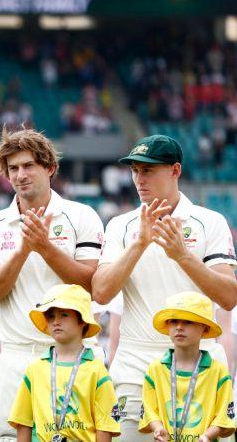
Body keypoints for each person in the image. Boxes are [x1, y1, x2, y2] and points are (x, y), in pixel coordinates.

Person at [92, 135, 237, 441]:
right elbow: (101, 292)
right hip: (135, 364)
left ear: (175, 170)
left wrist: (182, 255)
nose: (138, 179)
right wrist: (140, 244)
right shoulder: (120, 226)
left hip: (200, 362)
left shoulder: (209, 222)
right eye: (134, 170)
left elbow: (228, 296)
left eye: (148, 170)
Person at [0, 128, 105, 441]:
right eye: (13, 168)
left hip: (73, 356)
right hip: (16, 357)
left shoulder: (81, 215)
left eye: (29, 165)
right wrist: (23, 251)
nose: (20, 175)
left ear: (50, 168)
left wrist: (45, 247)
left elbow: (93, 287)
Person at [8, 284, 120, 442]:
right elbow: (23, 422)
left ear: (82, 321)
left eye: (64, 315)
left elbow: (105, 427)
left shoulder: (97, 371)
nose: (56, 322)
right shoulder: (35, 369)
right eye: (51, 316)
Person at [139, 291, 236, 441]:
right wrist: (158, 428)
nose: (179, 327)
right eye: (174, 321)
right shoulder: (155, 369)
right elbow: (149, 409)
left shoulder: (218, 371)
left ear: (205, 328)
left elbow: (224, 414)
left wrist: (207, 436)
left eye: (188, 321)